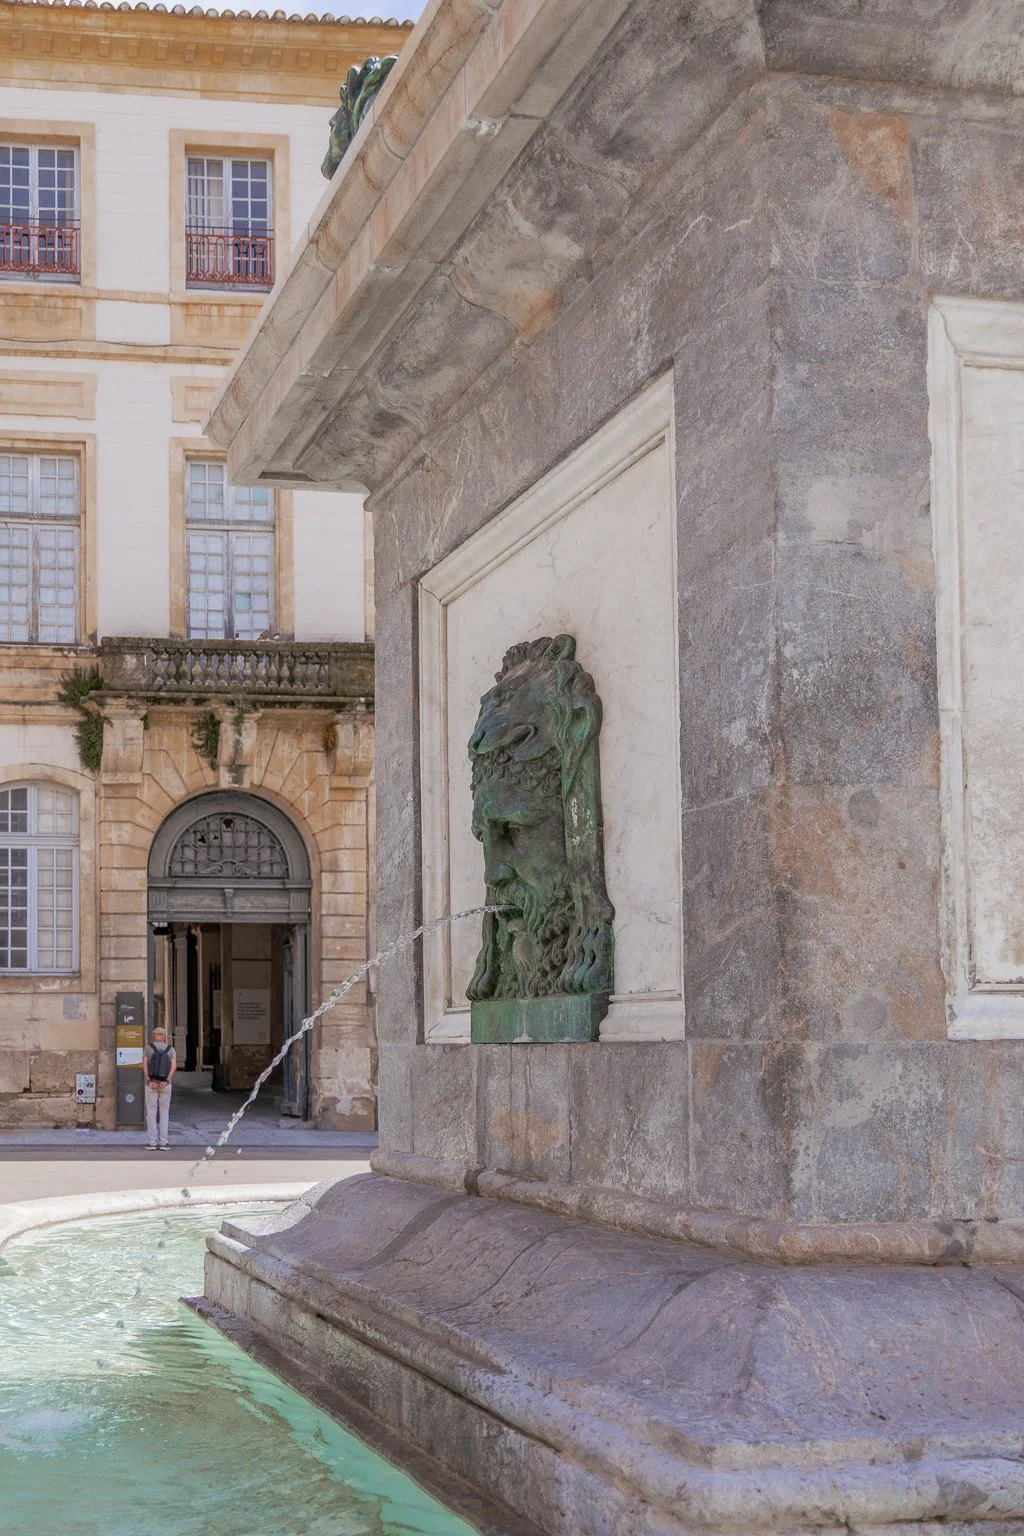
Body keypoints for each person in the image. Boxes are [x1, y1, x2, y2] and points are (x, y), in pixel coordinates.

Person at [144, 1027, 176, 1150]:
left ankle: (152, 1142)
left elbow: (145, 1065)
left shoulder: (148, 1048)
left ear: (154, 1036)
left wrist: (149, 1080)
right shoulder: (171, 1049)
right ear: (164, 1036)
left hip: (151, 1084)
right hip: (166, 1085)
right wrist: (167, 1080)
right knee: (164, 1113)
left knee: (151, 1114)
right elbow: (173, 1066)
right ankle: (163, 1143)